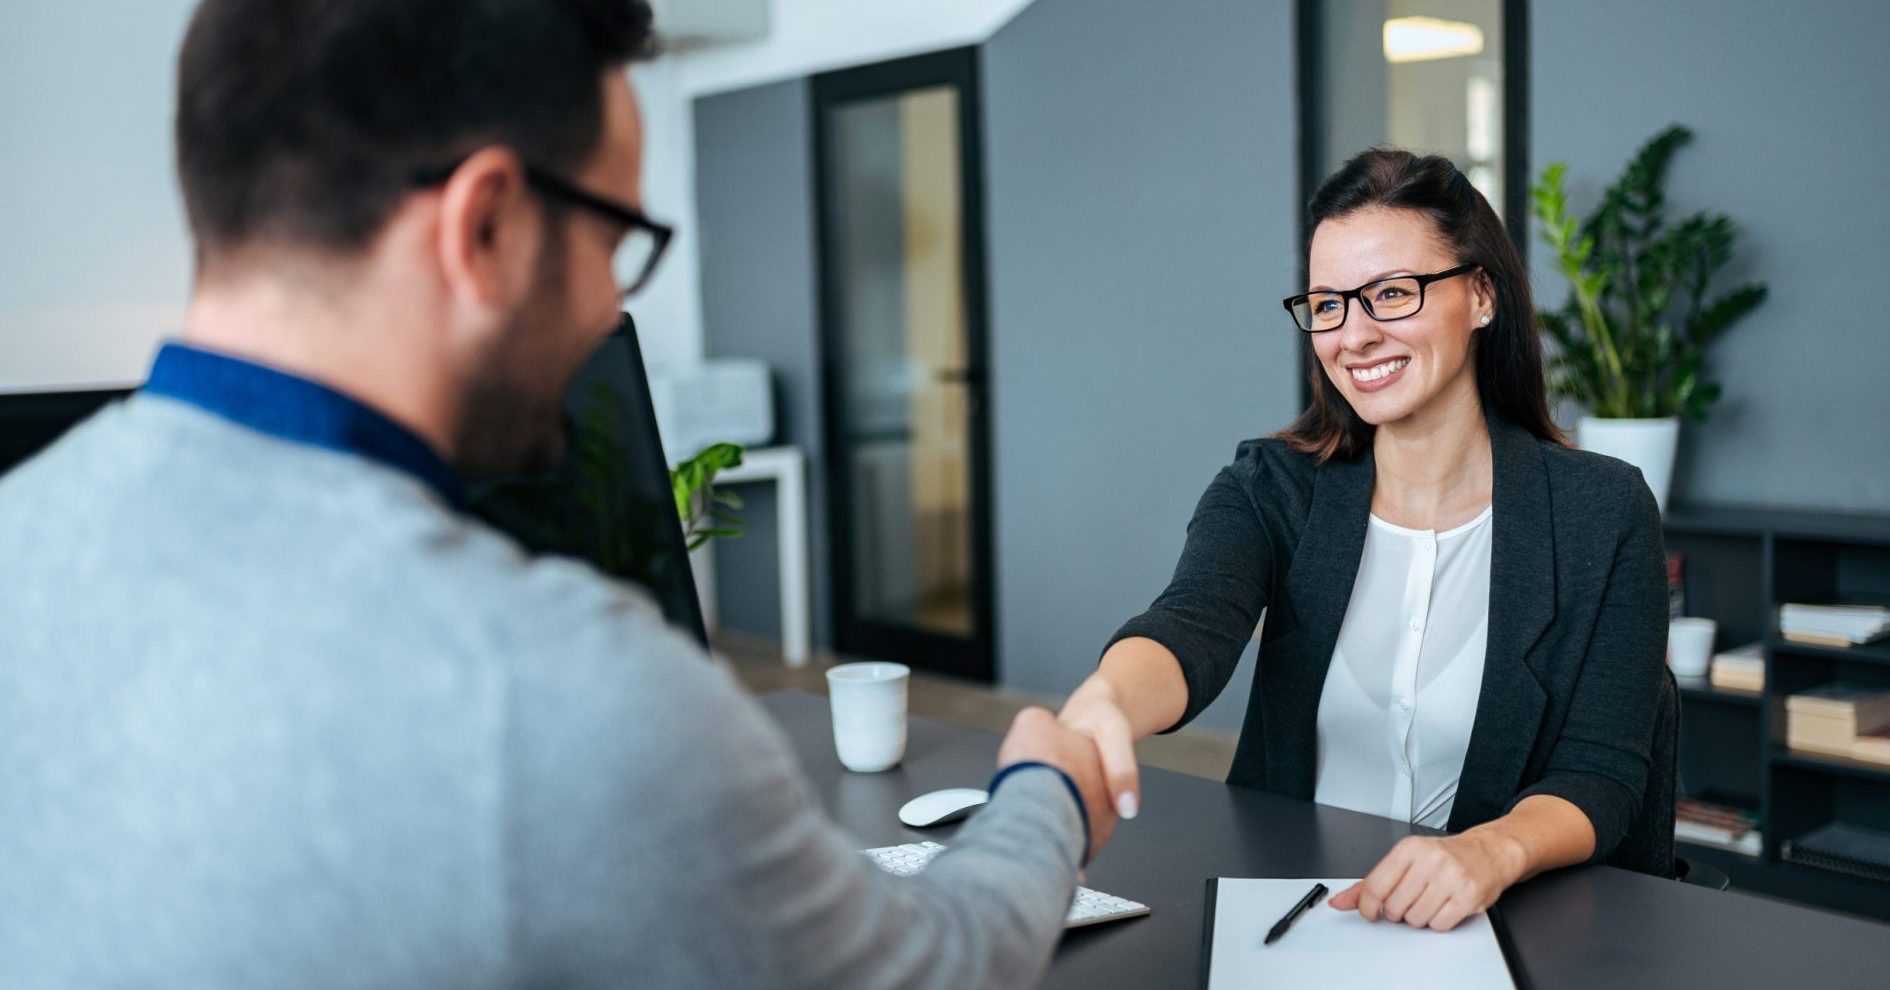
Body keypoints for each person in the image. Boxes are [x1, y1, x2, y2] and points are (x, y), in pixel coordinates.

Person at [0, 2, 1115, 987]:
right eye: (613, 239)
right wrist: (1045, 795)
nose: (604, 308)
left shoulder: (22, 539)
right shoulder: (548, 692)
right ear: (484, 224)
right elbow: (932, 970)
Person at [1056, 148, 1672, 933]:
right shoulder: (1272, 486)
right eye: (1328, 304)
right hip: (1295, 913)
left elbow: (1603, 772)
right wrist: (1103, 705)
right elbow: (1191, 626)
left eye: (1391, 293)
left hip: (1505, 921)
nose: (1355, 334)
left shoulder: (1601, 509)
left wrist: (1490, 851)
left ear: (1481, 294)